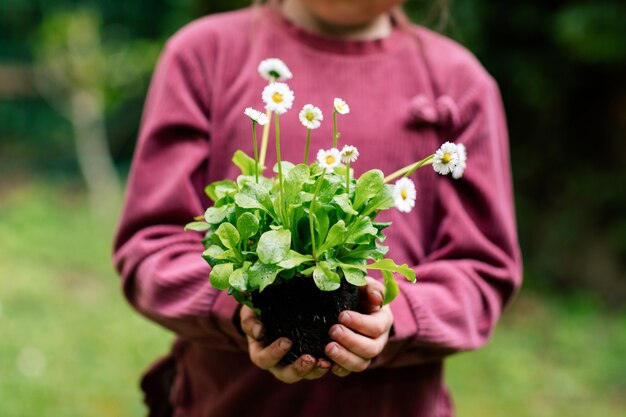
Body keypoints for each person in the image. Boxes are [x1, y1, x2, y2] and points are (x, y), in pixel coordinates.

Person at [113, 0, 522, 416]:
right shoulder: (206, 54)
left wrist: (394, 318)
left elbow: (482, 272)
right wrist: (241, 304)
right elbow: (151, 247)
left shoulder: (459, 83)